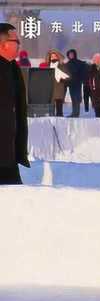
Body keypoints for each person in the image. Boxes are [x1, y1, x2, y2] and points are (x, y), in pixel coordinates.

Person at [0, 23, 30, 185]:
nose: (19, 45)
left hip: (9, 153)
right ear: (3, 44)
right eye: (16, 41)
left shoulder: (13, 67)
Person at [45, 49, 70, 117]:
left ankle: (60, 121)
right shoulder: (47, 66)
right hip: (50, 89)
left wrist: (62, 79)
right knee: (51, 109)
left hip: (59, 88)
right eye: (51, 56)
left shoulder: (62, 65)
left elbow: (68, 77)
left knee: (59, 108)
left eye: (54, 56)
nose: (53, 57)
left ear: (58, 56)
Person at [65, 49, 87, 117]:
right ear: (68, 55)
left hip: (78, 83)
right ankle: (74, 112)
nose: (71, 55)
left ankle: (76, 113)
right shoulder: (67, 64)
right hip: (71, 84)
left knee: (77, 98)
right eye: (70, 54)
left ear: (75, 54)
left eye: (72, 54)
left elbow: (83, 72)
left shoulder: (79, 63)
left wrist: (82, 80)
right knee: (73, 98)